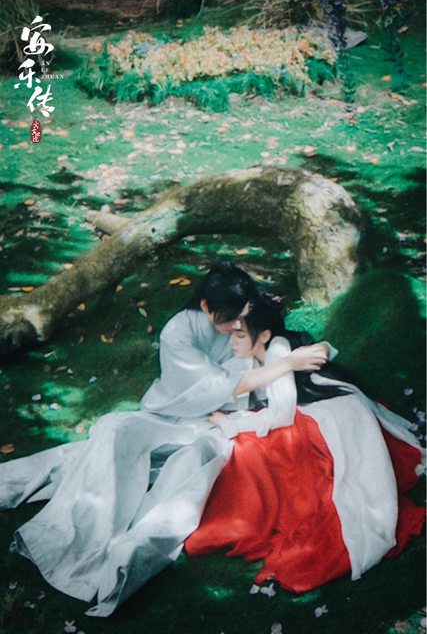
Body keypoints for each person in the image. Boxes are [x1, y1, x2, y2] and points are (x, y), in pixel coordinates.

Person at [0, 262, 332, 618]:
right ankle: (85, 533)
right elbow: (219, 386)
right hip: (171, 415)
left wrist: (285, 359)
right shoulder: (179, 332)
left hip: (217, 425)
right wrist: (286, 364)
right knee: (114, 430)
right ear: (206, 307)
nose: (237, 324)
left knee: (186, 471)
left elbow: (262, 361)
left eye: (242, 315)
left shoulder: (246, 323)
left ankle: (126, 554)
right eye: (230, 318)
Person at [185, 291, 426, 592]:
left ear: (264, 336)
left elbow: (283, 413)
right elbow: (321, 354)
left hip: (325, 415)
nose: (231, 341)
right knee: (259, 441)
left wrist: (231, 423)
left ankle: (248, 511)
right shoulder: (270, 350)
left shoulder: (278, 352)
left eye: (239, 334)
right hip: (317, 407)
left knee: (256, 446)